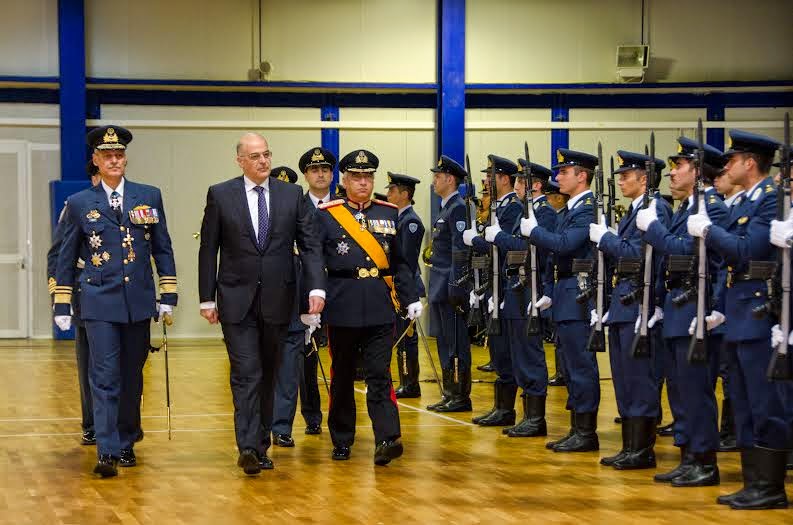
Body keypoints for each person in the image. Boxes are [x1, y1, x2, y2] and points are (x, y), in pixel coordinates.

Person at [52, 125, 177, 477]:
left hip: (138, 301)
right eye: (107, 156)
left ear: (125, 159)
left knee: (132, 376)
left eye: (119, 155)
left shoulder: (148, 196)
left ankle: (126, 441)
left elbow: (162, 247)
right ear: (96, 160)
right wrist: (62, 302)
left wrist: (168, 292)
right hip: (98, 302)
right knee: (104, 376)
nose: (114, 161)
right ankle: (107, 450)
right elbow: (65, 255)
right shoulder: (79, 203)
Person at [198, 133, 325, 475]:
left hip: (278, 300)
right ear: (240, 160)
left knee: (269, 374)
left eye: (266, 154)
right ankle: (248, 447)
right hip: (235, 300)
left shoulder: (291, 194)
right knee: (246, 373)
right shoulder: (220, 195)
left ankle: (261, 443)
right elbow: (209, 249)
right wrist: (206, 297)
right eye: (254, 156)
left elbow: (310, 245)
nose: (263, 161)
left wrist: (316, 288)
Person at [688, 130, 792, 509]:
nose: (726, 165)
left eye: (732, 160)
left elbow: (747, 252)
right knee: (744, 401)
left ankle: (770, 487)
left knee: (765, 402)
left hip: (760, 312)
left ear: (750, 163)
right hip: (737, 311)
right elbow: (729, 267)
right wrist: (717, 306)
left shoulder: (771, 200)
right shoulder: (744, 202)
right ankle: (753, 482)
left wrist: (709, 230)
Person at [314, 149, 420, 465]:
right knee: (342, 376)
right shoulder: (327, 215)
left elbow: (401, 263)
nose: (363, 182)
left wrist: (411, 297)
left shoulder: (389, 213)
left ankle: (387, 438)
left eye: (368, 177)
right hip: (342, 305)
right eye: (357, 177)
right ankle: (342, 438)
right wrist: (313, 302)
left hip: (379, 306)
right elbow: (314, 261)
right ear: (345, 180)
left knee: (379, 374)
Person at [636, 137, 727, 485]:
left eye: (679, 166)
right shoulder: (686, 207)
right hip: (677, 308)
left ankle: (704, 461)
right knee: (679, 389)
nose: (671, 173)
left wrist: (653, 228)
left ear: (699, 171)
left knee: (696, 390)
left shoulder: (711, 208)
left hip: (695, 307)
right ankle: (688, 456)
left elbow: (684, 252)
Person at [589, 150, 672, 469]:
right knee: (624, 378)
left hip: (640, 302)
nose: (621, 181)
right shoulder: (636, 209)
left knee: (640, 379)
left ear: (644, 178)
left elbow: (637, 256)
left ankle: (641, 450)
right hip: (624, 302)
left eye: (626, 176)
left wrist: (606, 239)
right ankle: (630, 446)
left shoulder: (655, 209)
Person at [520, 148, 600, 453]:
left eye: (564, 172)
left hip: (579, 293)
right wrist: (549, 292)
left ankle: (586, 431)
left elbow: (565, 245)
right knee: (568, 364)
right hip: (565, 293)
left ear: (582, 176)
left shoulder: (587, 210)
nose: (558, 177)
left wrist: (535, 231)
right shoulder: (569, 210)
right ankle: (576, 427)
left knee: (581, 365)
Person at [487, 159, 558, 437]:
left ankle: (536, 417)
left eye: (520, 181)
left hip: (531, 287)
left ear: (535, 185)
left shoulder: (545, 213)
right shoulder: (526, 212)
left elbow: (530, 250)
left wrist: (499, 237)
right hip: (516, 286)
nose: (516, 185)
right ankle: (522, 412)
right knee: (517, 352)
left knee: (530, 353)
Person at [270, 156, 329, 447]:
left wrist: (310, 304)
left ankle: (295, 421)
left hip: (306, 304)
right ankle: (270, 424)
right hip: (271, 305)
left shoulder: (307, 217)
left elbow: (312, 261)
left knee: (299, 369)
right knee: (270, 371)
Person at [463, 156, 523, 426]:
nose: (486, 180)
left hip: (506, 285)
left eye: (491, 176)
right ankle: (501, 407)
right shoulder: (497, 207)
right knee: (497, 348)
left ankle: (507, 409)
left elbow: (502, 247)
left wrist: (476, 240)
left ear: (504, 179)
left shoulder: (513, 208)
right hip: (492, 285)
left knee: (507, 350)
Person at [47, 161, 102, 446]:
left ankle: (123, 426)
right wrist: (60, 297)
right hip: (86, 296)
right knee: (90, 366)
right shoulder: (75, 206)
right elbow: (57, 255)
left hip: (122, 299)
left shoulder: (132, 203)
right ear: (93, 178)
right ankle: (92, 424)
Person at [426, 155, 473, 413]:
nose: (434, 181)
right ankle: (450, 392)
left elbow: (460, 250)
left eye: (437, 177)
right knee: (444, 341)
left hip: (450, 286)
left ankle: (460, 395)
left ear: (450, 179)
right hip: (439, 285)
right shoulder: (446, 207)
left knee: (456, 341)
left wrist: (457, 285)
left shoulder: (457, 207)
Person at [385, 172, 426, 398]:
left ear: (404, 194)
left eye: (392, 190)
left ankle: (410, 383)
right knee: (400, 336)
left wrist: (405, 292)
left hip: (406, 287)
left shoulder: (410, 222)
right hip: (398, 287)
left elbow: (407, 262)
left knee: (406, 337)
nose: (389, 194)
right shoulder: (398, 218)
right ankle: (405, 381)